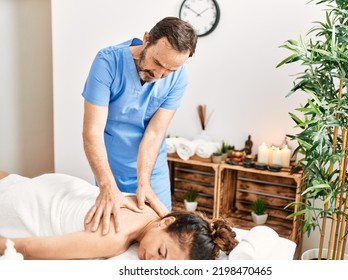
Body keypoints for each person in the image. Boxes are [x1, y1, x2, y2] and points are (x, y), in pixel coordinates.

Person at [81, 17, 198, 236]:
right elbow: (92, 132)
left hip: (152, 171)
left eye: (169, 70)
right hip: (110, 168)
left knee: (162, 234)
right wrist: (107, 185)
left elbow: (154, 133)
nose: (159, 75)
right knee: (113, 234)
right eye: (158, 63)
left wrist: (144, 183)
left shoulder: (179, 77)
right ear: (147, 39)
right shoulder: (107, 62)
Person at [0, 171, 238, 260]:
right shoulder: (114, 238)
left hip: (39, 184)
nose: (153, 261)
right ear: (167, 222)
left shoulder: (152, 206)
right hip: (23, 205)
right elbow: (27, 248)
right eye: (162, 252)